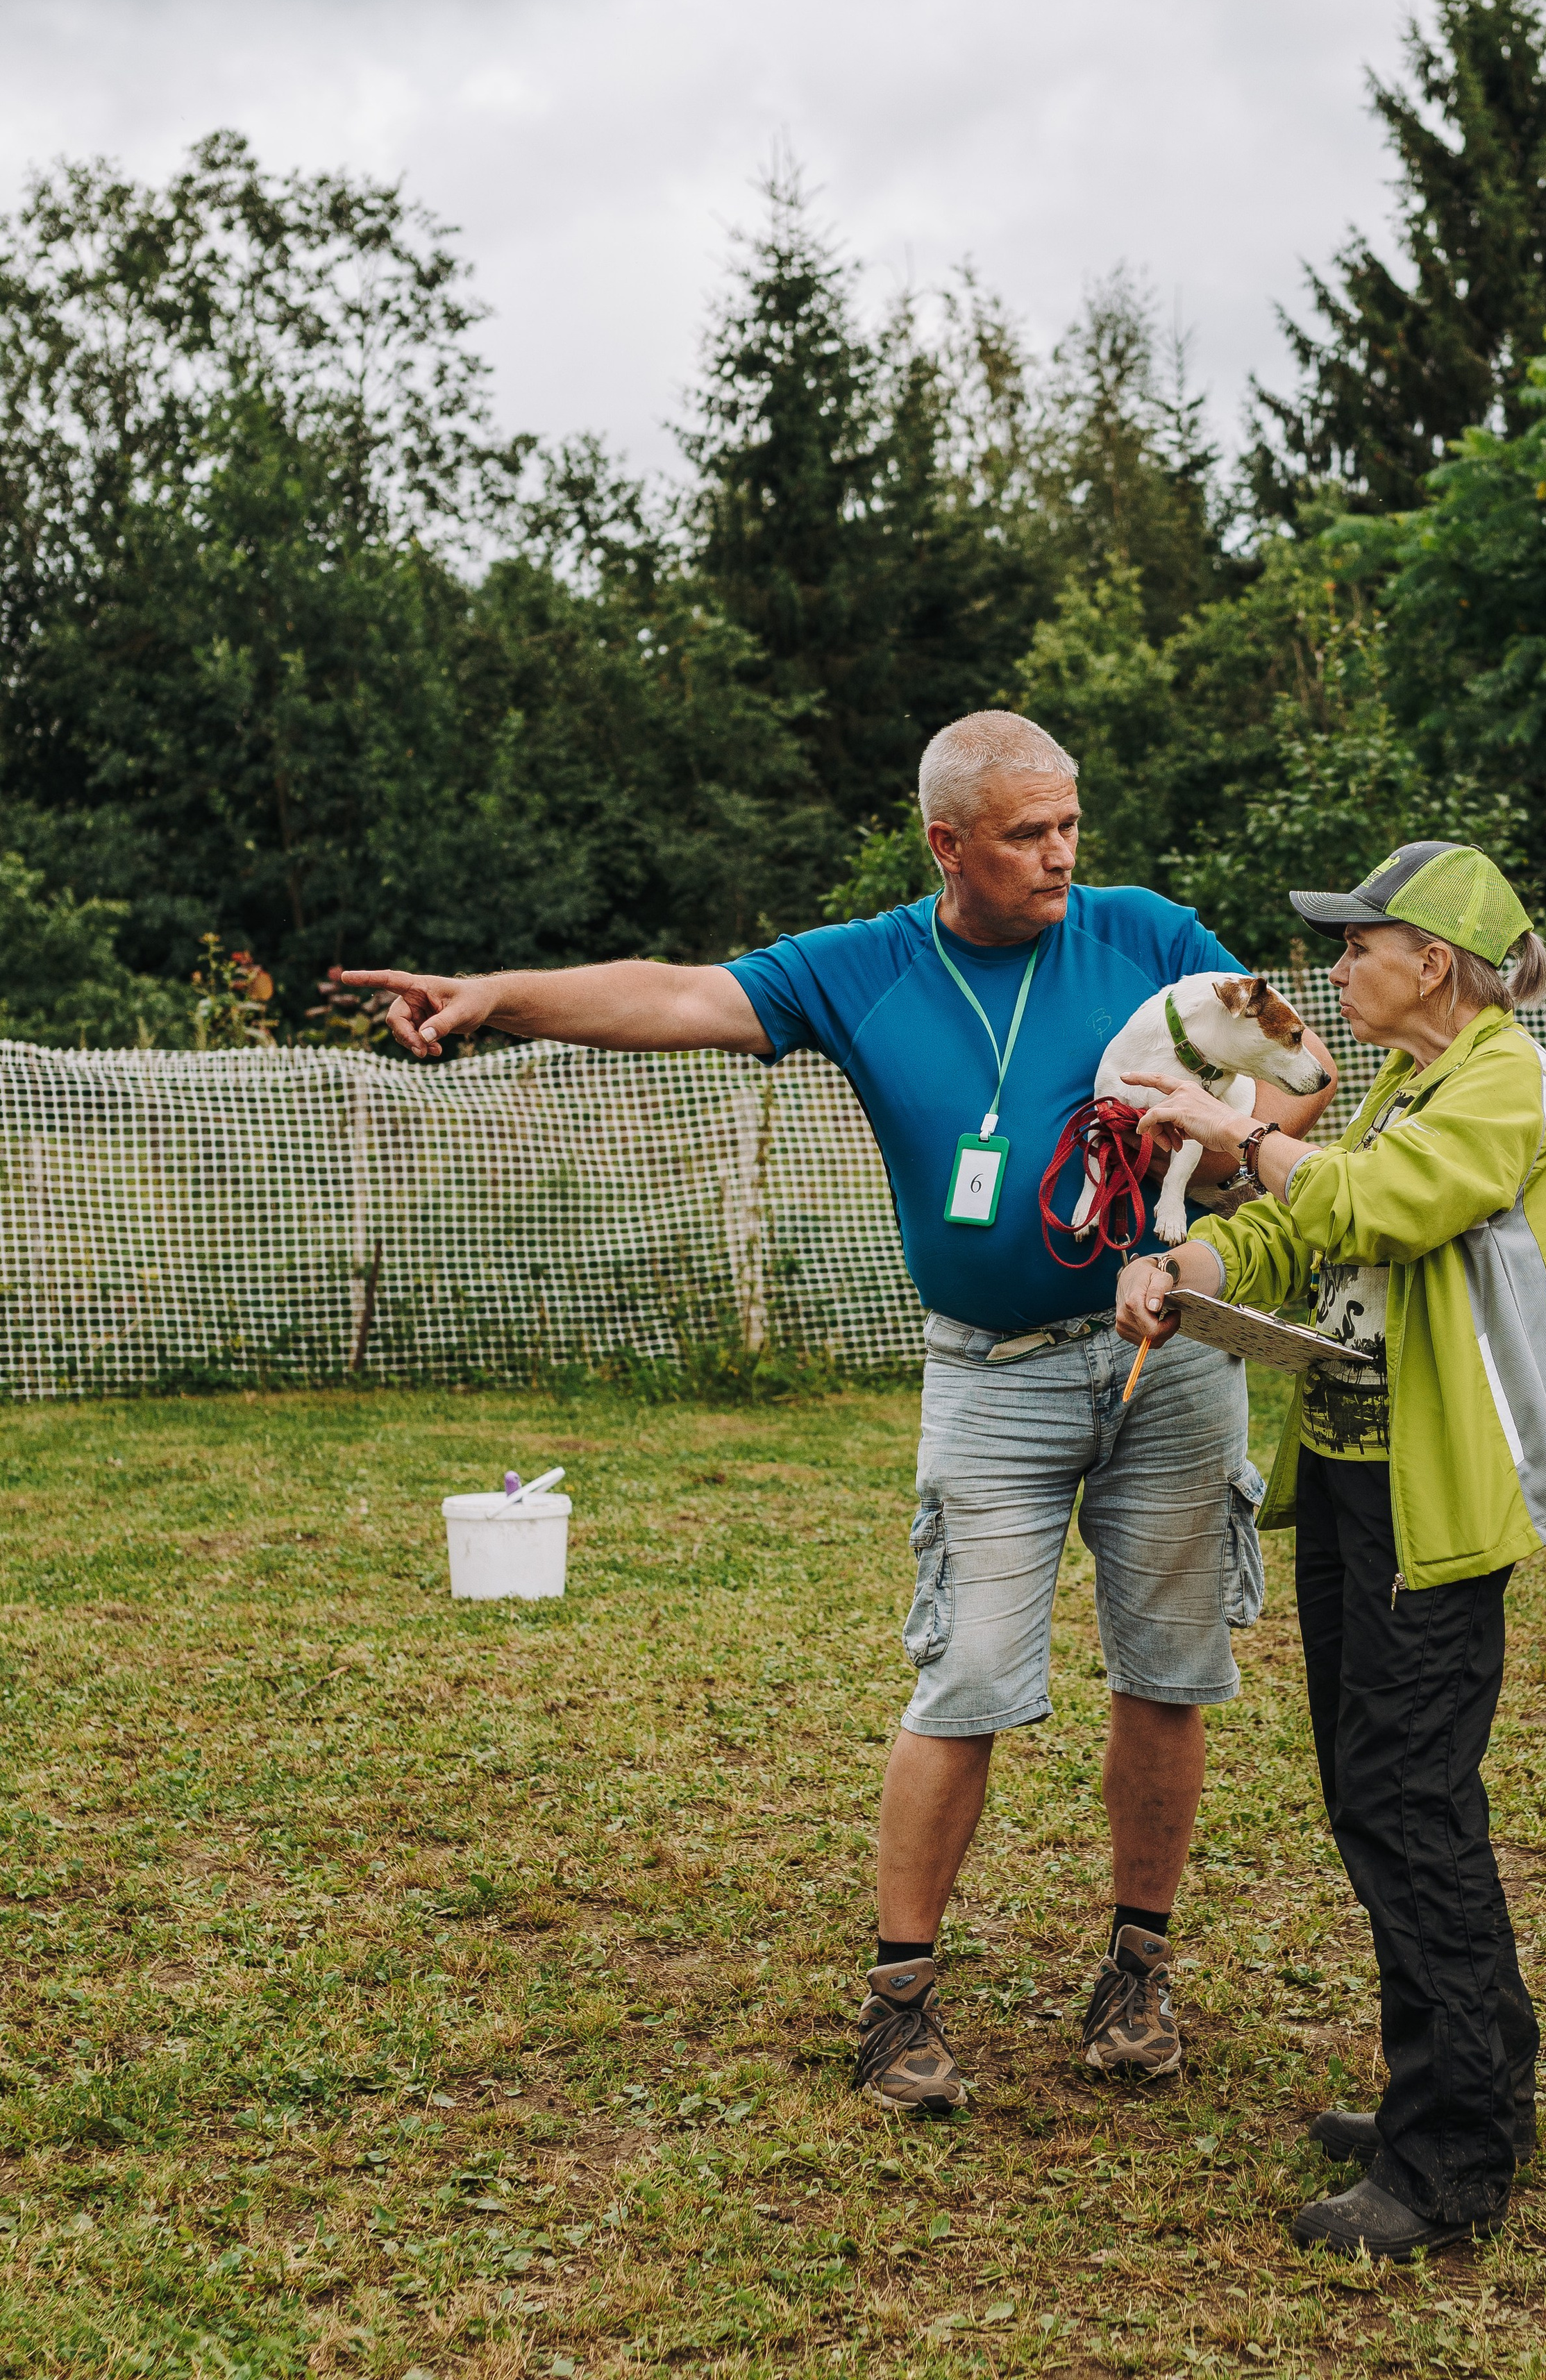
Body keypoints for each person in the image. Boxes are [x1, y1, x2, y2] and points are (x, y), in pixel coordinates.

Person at [346, 711, 1336, 2112]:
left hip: (1166, 1361)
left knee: (1167, 1672)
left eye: (1068, 825)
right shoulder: (863, 965)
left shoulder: (1147, 931)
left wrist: (1230, 1156)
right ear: (946, 841)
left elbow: (1299, 1075)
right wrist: (498, 991)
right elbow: (681, 997)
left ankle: (1135, 1971)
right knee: (967, 1676)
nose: (1059, 854)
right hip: (988, 1377)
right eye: (1024, 833)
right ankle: (898, 1998)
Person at [1115, 841, 1546, 2257]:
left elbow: (1386, 1203)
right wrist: (1190, 1265)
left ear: (1433, 964)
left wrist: (1240, 1142)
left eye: (1354, 944)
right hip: (1349, 1475)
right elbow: (1303, 1233)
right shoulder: (1410, 1082)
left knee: (1406, 1799)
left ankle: (1447, 2158)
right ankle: (1467, 2083)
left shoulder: (1499, 1078)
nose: (1332, 970)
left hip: (1432, 1487)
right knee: (1373, 1789)